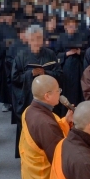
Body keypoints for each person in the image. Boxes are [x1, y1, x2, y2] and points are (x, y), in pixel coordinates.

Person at [12, 25, 62, 157]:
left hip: (48, 98)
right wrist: (30, 74)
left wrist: (45, 72)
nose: (36, 42)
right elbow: (14, 78)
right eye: (33, 39)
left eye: (39, 38)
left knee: (49, 124)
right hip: (29, 97)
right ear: (28, 40)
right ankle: (26, 153)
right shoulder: (21, 56)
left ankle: (51, 152)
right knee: (29, 124)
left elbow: (59, 74)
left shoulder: (50, 54)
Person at [56, 17, 87, 108]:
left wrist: (80, 52)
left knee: (78, 89)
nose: (72, 28)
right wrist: (67, 54)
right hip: (66, 68)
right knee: (68, 89)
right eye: (70, 26)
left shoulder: (80, 36)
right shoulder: (61, 38)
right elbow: (56, 54)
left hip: (78, 67)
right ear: (65, 27)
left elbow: (87, 52)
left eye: (74, 26)